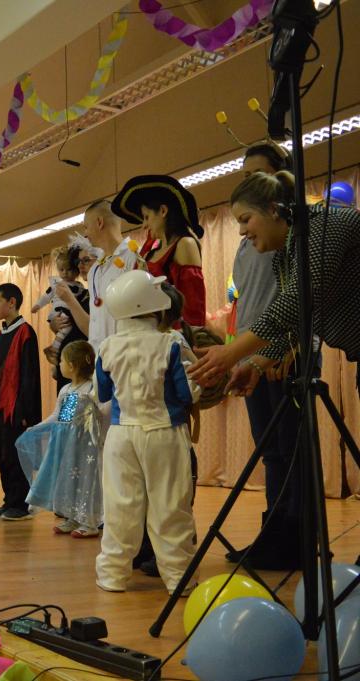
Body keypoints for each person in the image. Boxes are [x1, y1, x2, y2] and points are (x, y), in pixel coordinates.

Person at [189, 172, 360, 399]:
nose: (241, 231)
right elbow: (297, 322)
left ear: (273, 210)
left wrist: (231, 352)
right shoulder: (284, 256)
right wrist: (257, 364)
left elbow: (296, 301)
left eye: (245, 219)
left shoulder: (325, 224)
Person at [94, 270, 200, 595]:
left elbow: (103, 393)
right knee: (170, 507)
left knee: (120, 507)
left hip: (120, 435)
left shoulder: (107, 346)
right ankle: (179, 579)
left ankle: (112, 575)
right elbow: (188, 393)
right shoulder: (172, 343)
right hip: (164, 433)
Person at [223, 142, 303, 569]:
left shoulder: (290, 237)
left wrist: (288, 346)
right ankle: (273, 535)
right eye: (244, 175)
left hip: (283, 354)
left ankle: (296, 538)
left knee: (292, 451)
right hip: (254, 355)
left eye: (257, 173)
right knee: (270, 451)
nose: (249, 180)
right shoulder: (248, 245)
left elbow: (296, 298)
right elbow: (249, 302)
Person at [16, 340, 103, 537]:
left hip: (85, 446)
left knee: (86, 480)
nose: (59, 365)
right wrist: (37, 428)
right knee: (69, 480)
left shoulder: (90, 389)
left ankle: (89, 522)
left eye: (61, 361)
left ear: (71, 365)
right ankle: (73, 517)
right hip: (67, 445)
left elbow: (96, 417)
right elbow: (60, 418)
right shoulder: (67, 390)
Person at [112, 174, 207, 327]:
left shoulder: (185, 244)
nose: (144, 225)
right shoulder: (151, 250)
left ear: (163, 211)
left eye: (146, 217)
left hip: (171, 335)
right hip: (147, 332)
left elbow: (192, 307)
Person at [0, 283, 41, 521]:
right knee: (3, 454)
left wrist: (26, 411)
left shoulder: (25, 332)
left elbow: (29, 375)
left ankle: (21, 504)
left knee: (17, 456)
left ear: (12, 302)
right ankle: (9, 500)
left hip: (16, 407)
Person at [56, 200, 142, 350]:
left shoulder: (134, 257)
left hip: (125, 355)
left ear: (99, 222)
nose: (85, 234)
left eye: (86, 227)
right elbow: (94, 328)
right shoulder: (95, 269)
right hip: (100, 358)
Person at [32, 246, 88, 391]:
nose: (82, 266)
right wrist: (53, 325)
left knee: (76, 399)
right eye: (81, 262)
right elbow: (48, 299)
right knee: (65, 398)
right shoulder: (60, 288)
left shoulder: (84, 294)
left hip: (80, 366)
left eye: (86, 261)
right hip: (66, 364)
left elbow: (88, 329)